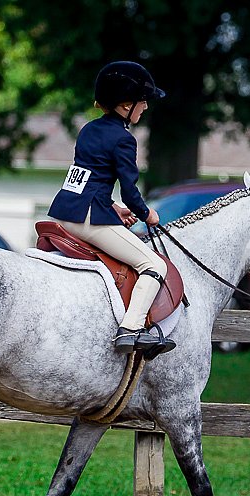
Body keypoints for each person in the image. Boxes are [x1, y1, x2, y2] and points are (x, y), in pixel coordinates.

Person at [48, 61, 174, 354]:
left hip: (65, 211)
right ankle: (130, 330)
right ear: (125, 105)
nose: (145, 106)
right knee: (155, 265)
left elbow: (87, 177)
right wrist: (146, 213)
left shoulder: (88, 130)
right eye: (142, 101)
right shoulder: (123, 139)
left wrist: (113, 207)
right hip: (89, 220)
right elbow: (131, 192)